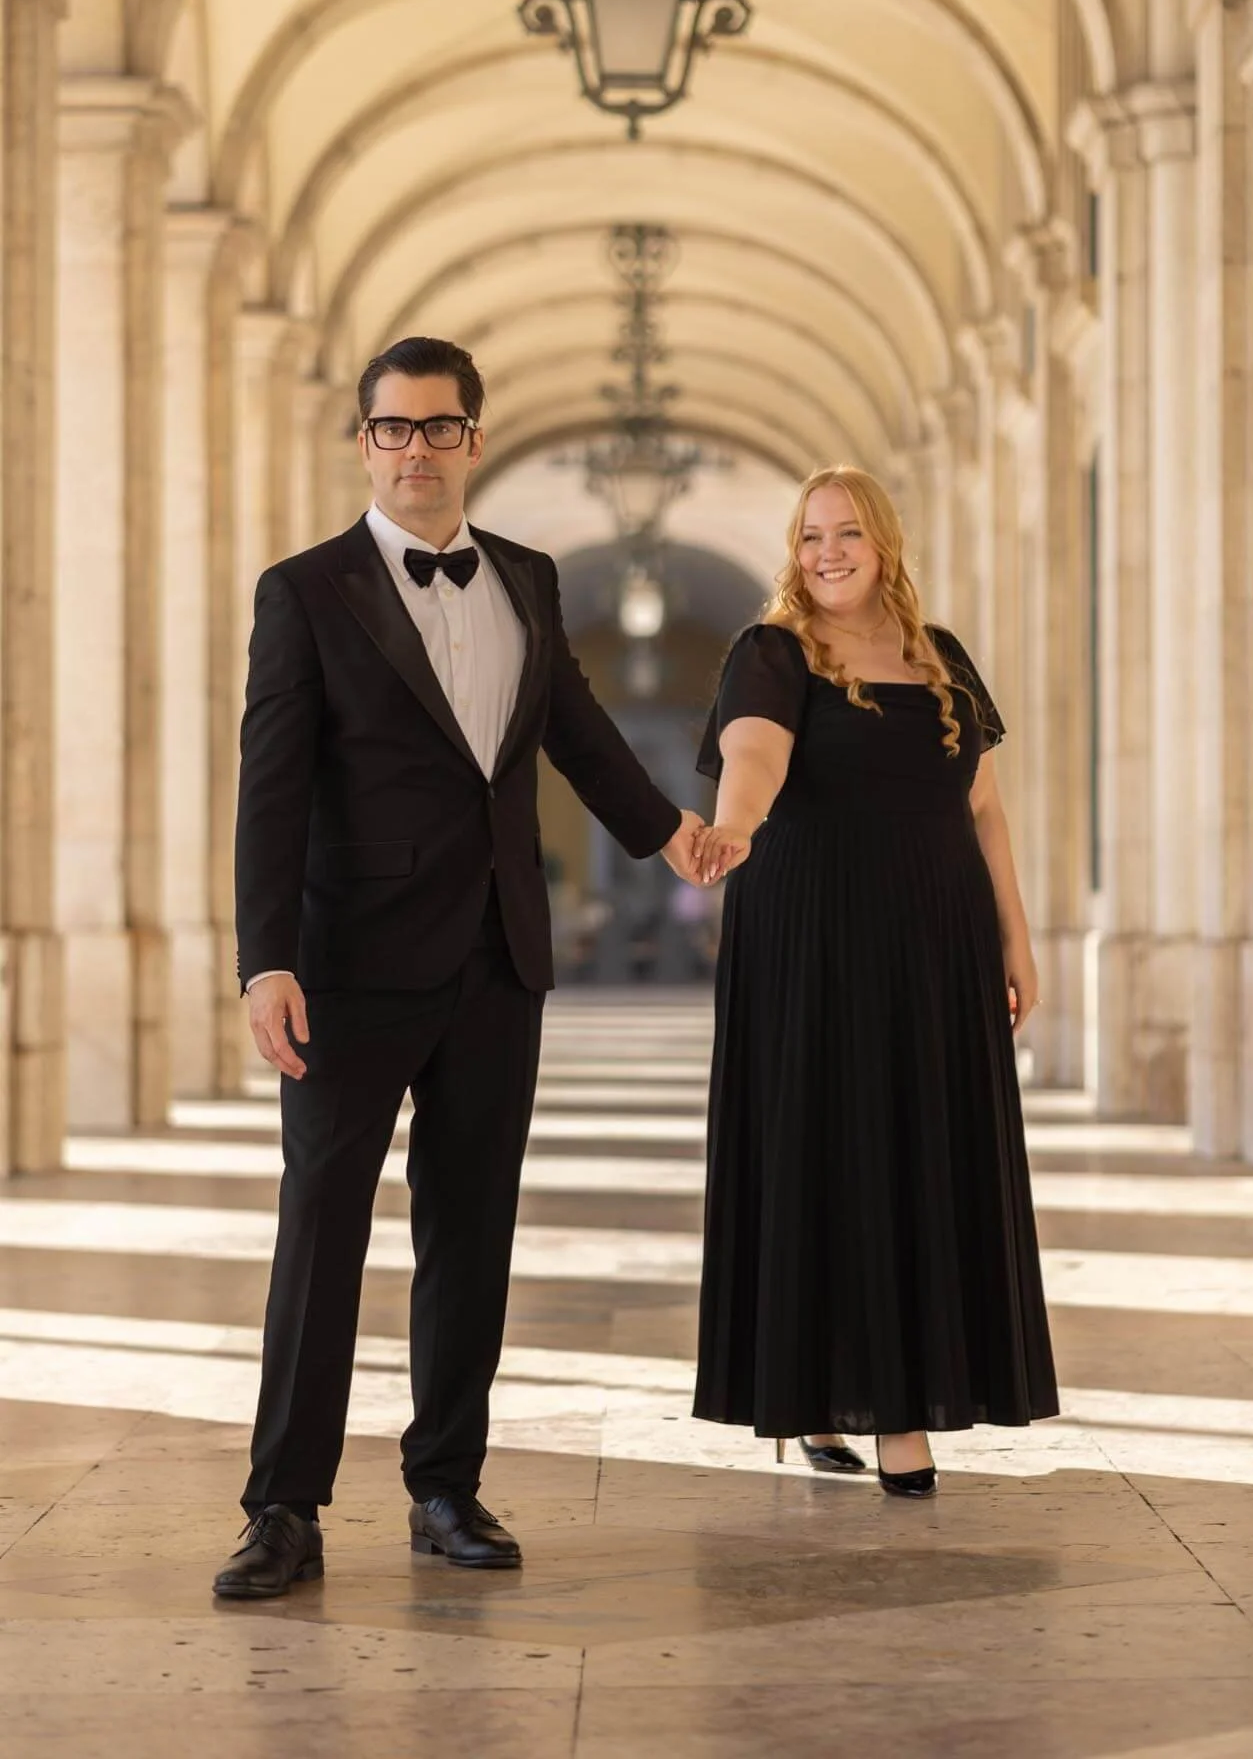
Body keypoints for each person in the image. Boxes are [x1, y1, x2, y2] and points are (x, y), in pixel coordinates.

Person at [213, 336, 704, 1599]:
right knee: (319, 1232)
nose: (417, 449)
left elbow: (582, 741)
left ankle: (445, 1484)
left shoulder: (531, 580)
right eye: (395, 428)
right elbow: (268, 786)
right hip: (347, 963)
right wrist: (263, 958)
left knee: (471, 1230)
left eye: (440, 427)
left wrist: (677, 837)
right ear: (364, 441)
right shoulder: (305, 589)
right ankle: (283, 1505)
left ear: (475, 439)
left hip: (497, 955)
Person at [690, 465, 1058, 1492]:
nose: (827, 553)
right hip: (812, 932)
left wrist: (1014, 939)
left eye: (847, 532)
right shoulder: (770, 650)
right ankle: (840, 1403)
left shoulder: (941, 658)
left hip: (936, 935)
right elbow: (752, 750)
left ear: (883, 540)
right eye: (810, 537)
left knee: (919, 1152)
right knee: (822, 1152)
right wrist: (736, 823)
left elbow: (981, 806)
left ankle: (904, 1397)